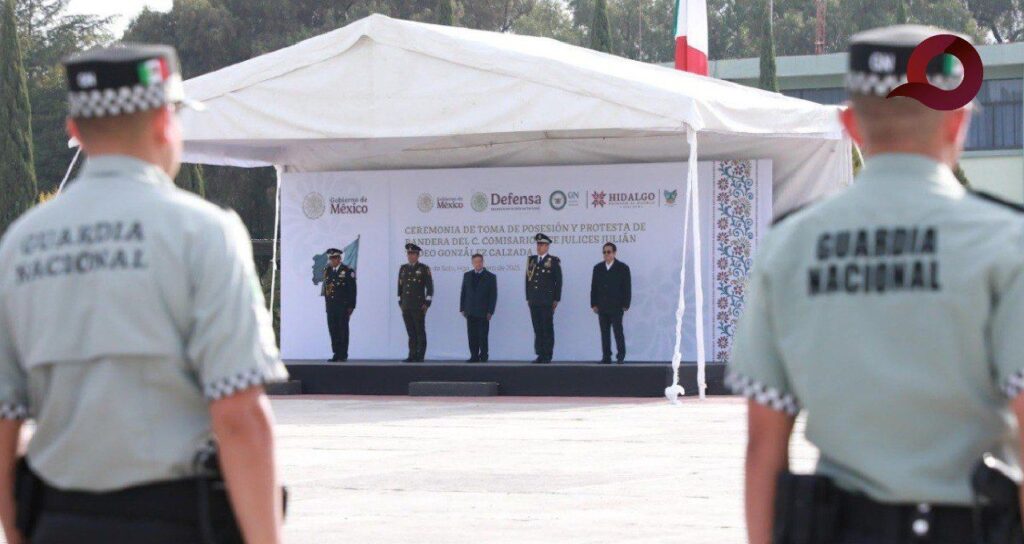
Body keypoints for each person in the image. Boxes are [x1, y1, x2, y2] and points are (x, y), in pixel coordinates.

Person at [728, 25, 1024, 544]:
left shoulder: (789, 246)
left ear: (850, 124)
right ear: (957, 122)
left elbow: (763, 447)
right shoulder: (1007, 242)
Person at [0, 44, 288, 544]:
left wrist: (21, 532)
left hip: (58, 521)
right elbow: (239, 414)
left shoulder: (20, 245)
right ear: (163, 121)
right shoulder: (204, 233)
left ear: (75, 132)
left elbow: (3, 419)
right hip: (175, 521)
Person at [590, 242, 631, 364]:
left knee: (618, 331)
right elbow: (594, 287)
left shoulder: (623, 268)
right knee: (604, 332)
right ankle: (606, 356)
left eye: (608, 252)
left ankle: (621, 355)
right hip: (602, 306)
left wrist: (626, 304)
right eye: (604, 252)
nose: (606, 254)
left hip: (616, 305)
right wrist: (593, 303)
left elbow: (627, 288)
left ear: (614, 253)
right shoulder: (598, 268)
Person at [525, 233, 562, 364]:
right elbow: (528, 280)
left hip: (547, 300)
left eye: (541, 244)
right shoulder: (532, 260)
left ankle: (547, 354)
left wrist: (556, 299)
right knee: (537, 328)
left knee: (547, 327)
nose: (539, 247)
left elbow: (559, 281)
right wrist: (528, 297)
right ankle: (540, 353)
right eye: (538, 244)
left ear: (547, 246)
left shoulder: (553, 261)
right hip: (534, 300)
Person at [398, 243, 433, 362]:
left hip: (418, 305)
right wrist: (400, 302)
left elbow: (430, 288)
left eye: (413, 254)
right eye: (409, 254)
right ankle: (411, 354)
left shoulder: (423, 268)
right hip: (406, 305)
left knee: (419, 330)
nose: (410, 256)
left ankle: (420, 355)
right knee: (410, 332)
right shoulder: (403, 268)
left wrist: (427, 303)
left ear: (418, 255)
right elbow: (400, 287)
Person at [460, 254, 497, 363]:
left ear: (483, 262)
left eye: (480, 261)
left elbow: (493, 296)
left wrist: (490, 311)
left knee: (483, 335)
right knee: (472, 335)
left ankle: (484, 356)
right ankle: (474, 356)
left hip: (483, 311)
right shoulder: (467, 275)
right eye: (475, 262)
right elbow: (463, 293)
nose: (478, 264)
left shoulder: (490, 276)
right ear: (472, 263)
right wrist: (462, 308)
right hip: (470, 311)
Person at [322, 248, 356, 362]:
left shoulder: (347, 270)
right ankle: (336, 353)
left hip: (343, 306)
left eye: (334, 258)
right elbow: (327, 290)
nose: (332, 260)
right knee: (333, 329)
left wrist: (351, 306)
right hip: (331, 306)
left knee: (343, 330)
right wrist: (327, 305)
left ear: (339, 258)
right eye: (331, 258)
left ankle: (343, 354)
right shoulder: (327, 270)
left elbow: (352, 290)